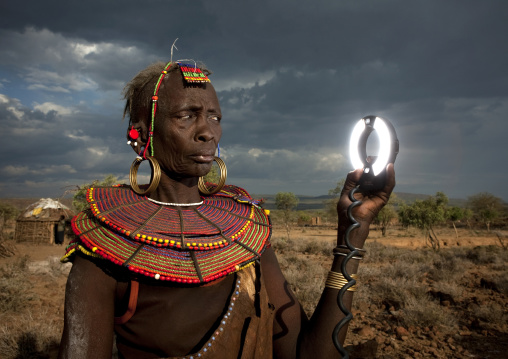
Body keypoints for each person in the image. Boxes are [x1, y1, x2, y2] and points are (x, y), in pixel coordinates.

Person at [58, 60, 395, 359]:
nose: (208, 132)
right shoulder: (107, 247)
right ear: (141, 135)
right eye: (186, 116)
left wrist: (354, 229)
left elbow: (303, 353)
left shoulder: (245, 233)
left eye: (214, 117)